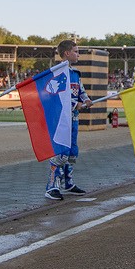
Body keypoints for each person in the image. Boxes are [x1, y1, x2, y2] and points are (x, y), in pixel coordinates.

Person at [45, 39, 91, 200]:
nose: (78, 54)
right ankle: (52, 186)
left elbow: (81, 90)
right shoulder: (57, 72)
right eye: (76, 51)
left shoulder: (75, 73)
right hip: (61, 120)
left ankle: (68, 182)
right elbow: (56, 96)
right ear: (67, 53)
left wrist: (85, 100)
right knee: (61, 152)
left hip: (74, 119)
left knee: (72, 152)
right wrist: (74, 104)